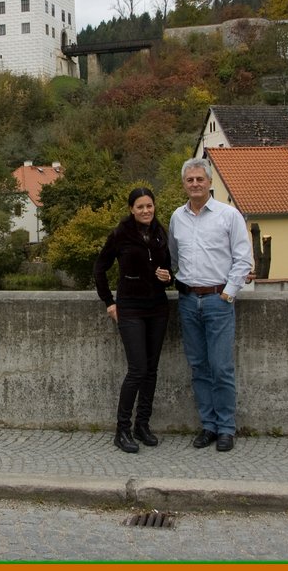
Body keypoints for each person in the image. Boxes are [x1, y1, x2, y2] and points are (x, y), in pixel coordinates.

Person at [168, 158, 253, 453]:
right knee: (199, 367)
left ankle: (226, 428)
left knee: (221, 368)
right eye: (190, 180)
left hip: (218, 300)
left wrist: (228, 293)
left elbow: (243, 259)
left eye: (199, 179)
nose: (195, 184)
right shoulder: (177, 217)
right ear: (184, 184)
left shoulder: (229, 215)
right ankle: (208, 426)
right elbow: (173, 257)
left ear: (209, 182)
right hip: (188, 300)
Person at [93, 187, 174, 453]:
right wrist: (109, 302)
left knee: (151, 370)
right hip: (130, 309)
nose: (145, 210)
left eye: (149, 206)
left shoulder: (160, 232)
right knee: (137, 369)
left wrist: (168, 277)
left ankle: (142, 425)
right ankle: (122, 430)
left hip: (157, 308)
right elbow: (99, 268)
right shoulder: (121, 234)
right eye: (140, 207)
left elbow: (169, 268)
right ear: (131, 209)